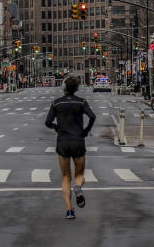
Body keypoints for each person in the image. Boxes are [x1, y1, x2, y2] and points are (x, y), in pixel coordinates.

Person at [45, 75, 96, 220]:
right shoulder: (81, 102)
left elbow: (47, 122)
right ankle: (78, 187)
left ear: (64, 88)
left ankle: (69, 210)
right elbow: (92, 116)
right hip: (78, 140)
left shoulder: (56, 103)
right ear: (77, 88)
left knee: (66, 176)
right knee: (79, 175)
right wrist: (86, 131)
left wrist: (56, 127)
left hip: (63, 142)